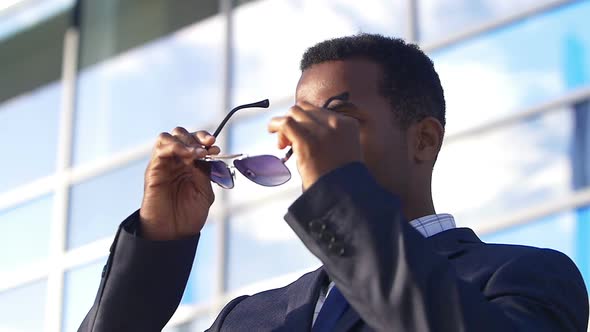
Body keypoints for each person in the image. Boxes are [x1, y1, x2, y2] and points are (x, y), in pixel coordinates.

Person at [79, 34, 589, 332]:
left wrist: (339, 200)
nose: (303, 142)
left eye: (335, 119)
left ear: (424, 141)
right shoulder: (251, 319)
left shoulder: (525, 275)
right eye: (299, 122)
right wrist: (159, 240)